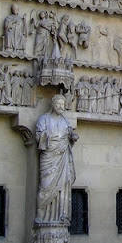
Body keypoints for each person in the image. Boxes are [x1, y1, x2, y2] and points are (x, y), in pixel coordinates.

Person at [34, 95, 78, 224]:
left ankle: (61, 215)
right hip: (49, 157)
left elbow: (70, 136)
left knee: (63, 186)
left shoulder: (66, 122)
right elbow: (38, 137)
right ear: (53, 105)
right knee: (45, 186)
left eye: (62, 104)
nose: (61, 107)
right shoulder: (44, 119)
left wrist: (73, 137)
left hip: (62, 157)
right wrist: (46, 136)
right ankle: (40, 214)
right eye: (58, 104)